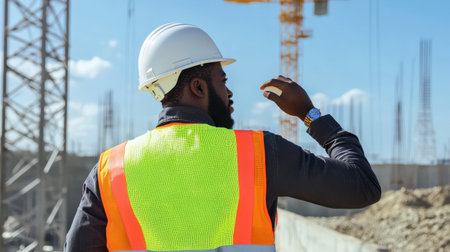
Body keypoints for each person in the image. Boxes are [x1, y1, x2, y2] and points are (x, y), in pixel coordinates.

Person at [65, 23, 381, 252]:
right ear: (198, 88)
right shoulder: (258, 153)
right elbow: (361, 187)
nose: (229, 93)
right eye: (222, 80)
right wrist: (310, 114)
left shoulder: (110, 170)